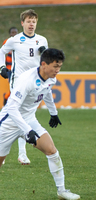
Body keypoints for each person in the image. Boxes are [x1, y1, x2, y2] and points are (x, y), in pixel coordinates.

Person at [0, 48, 80, 200]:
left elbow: (47, 92)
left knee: (52, 151)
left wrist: (53, 113)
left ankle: (62, 191)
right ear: (44, 64)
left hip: (29, 119)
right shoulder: (26, 80)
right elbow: (11, 107)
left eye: (60, 66)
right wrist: (27, 130)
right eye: (55, 66)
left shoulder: (51, 78)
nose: (58, 70)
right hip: (9, 123)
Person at [0, 9, 48, 165]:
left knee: (21, 115)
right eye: (28, 21)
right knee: (19, 114)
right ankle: (21, 153)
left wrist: (44, 54)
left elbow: (46, 61)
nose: (31, 24)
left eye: (34, 21)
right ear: (23, 23)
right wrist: (1, 68)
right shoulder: (15, 40)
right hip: (18, 83)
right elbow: (1, 52)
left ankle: (7, 150)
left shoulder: (42, 40)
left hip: (34, 84)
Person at [2, 27, 18, 106]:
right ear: (10, 34)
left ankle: (7, 98)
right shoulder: (7, 42)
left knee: (15, 86)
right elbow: (3, 52)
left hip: (17, 68)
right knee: (13, 86)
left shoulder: (20, 42)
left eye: (16, 32)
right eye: (13, 32)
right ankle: (6, 99)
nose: (14, 34)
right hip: (9, 68)